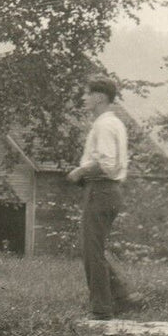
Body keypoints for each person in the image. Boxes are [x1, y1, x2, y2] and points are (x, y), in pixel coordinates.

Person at [66, 76, 136, 319]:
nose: (84, 99)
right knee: (93, 248)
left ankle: (102, 309)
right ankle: (121, 297)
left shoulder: (104, 125)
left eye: (87, 94)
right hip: (106, 190)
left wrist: (80, 171)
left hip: (100, 189)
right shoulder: (113, 123)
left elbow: (106, 162)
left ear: (99, 97)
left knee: (91, 251)